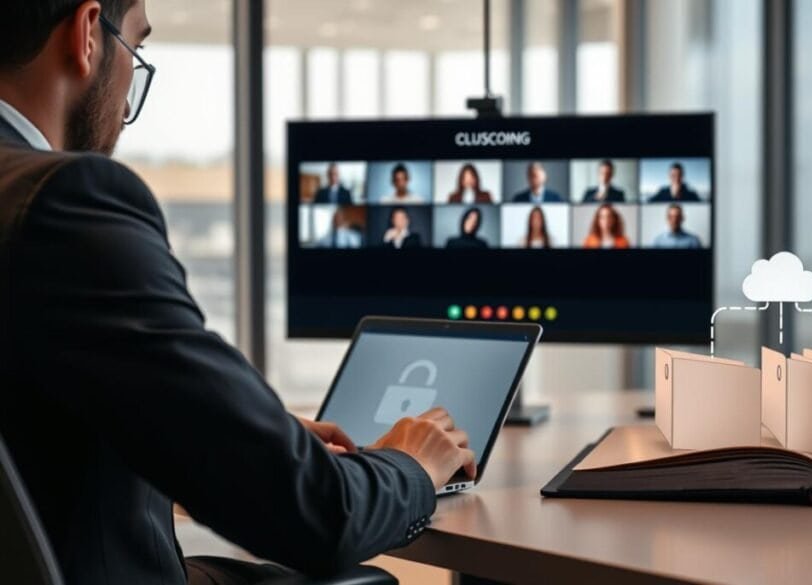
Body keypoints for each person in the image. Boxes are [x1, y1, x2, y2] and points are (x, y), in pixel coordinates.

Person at [0, 2, 475, 584]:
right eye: (136, 51)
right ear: (87, 34)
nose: (126, 102)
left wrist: (230, 432)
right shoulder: (66, 200)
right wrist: (412, 463)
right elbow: (320, 518)